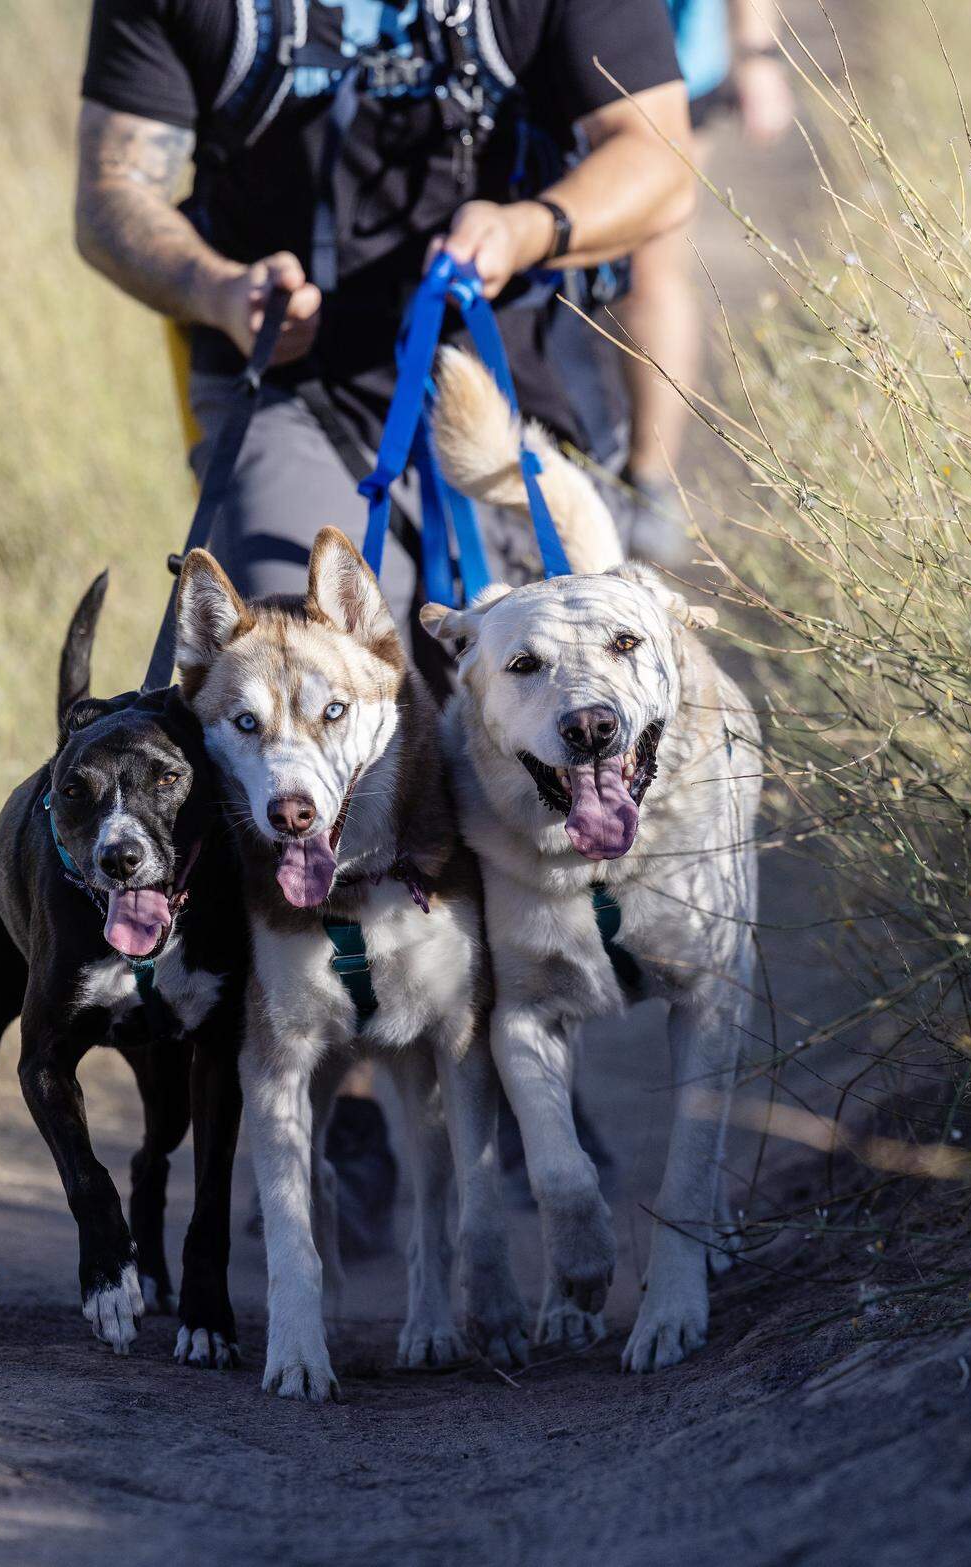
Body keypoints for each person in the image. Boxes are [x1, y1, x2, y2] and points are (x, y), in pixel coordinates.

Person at [75, 0, 695, 1251]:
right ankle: (327, 1084)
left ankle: (520, 1055)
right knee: (273, 721)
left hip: (497, 373)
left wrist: (532, 227)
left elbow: (659, 154)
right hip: (284, 388)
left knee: (508, 733)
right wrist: (216, 281)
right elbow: (110, 193)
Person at [617, 0, 796, 565]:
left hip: (671, 57)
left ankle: (649, 480)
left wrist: (758, 52)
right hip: (517, 47)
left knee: (648, 269)